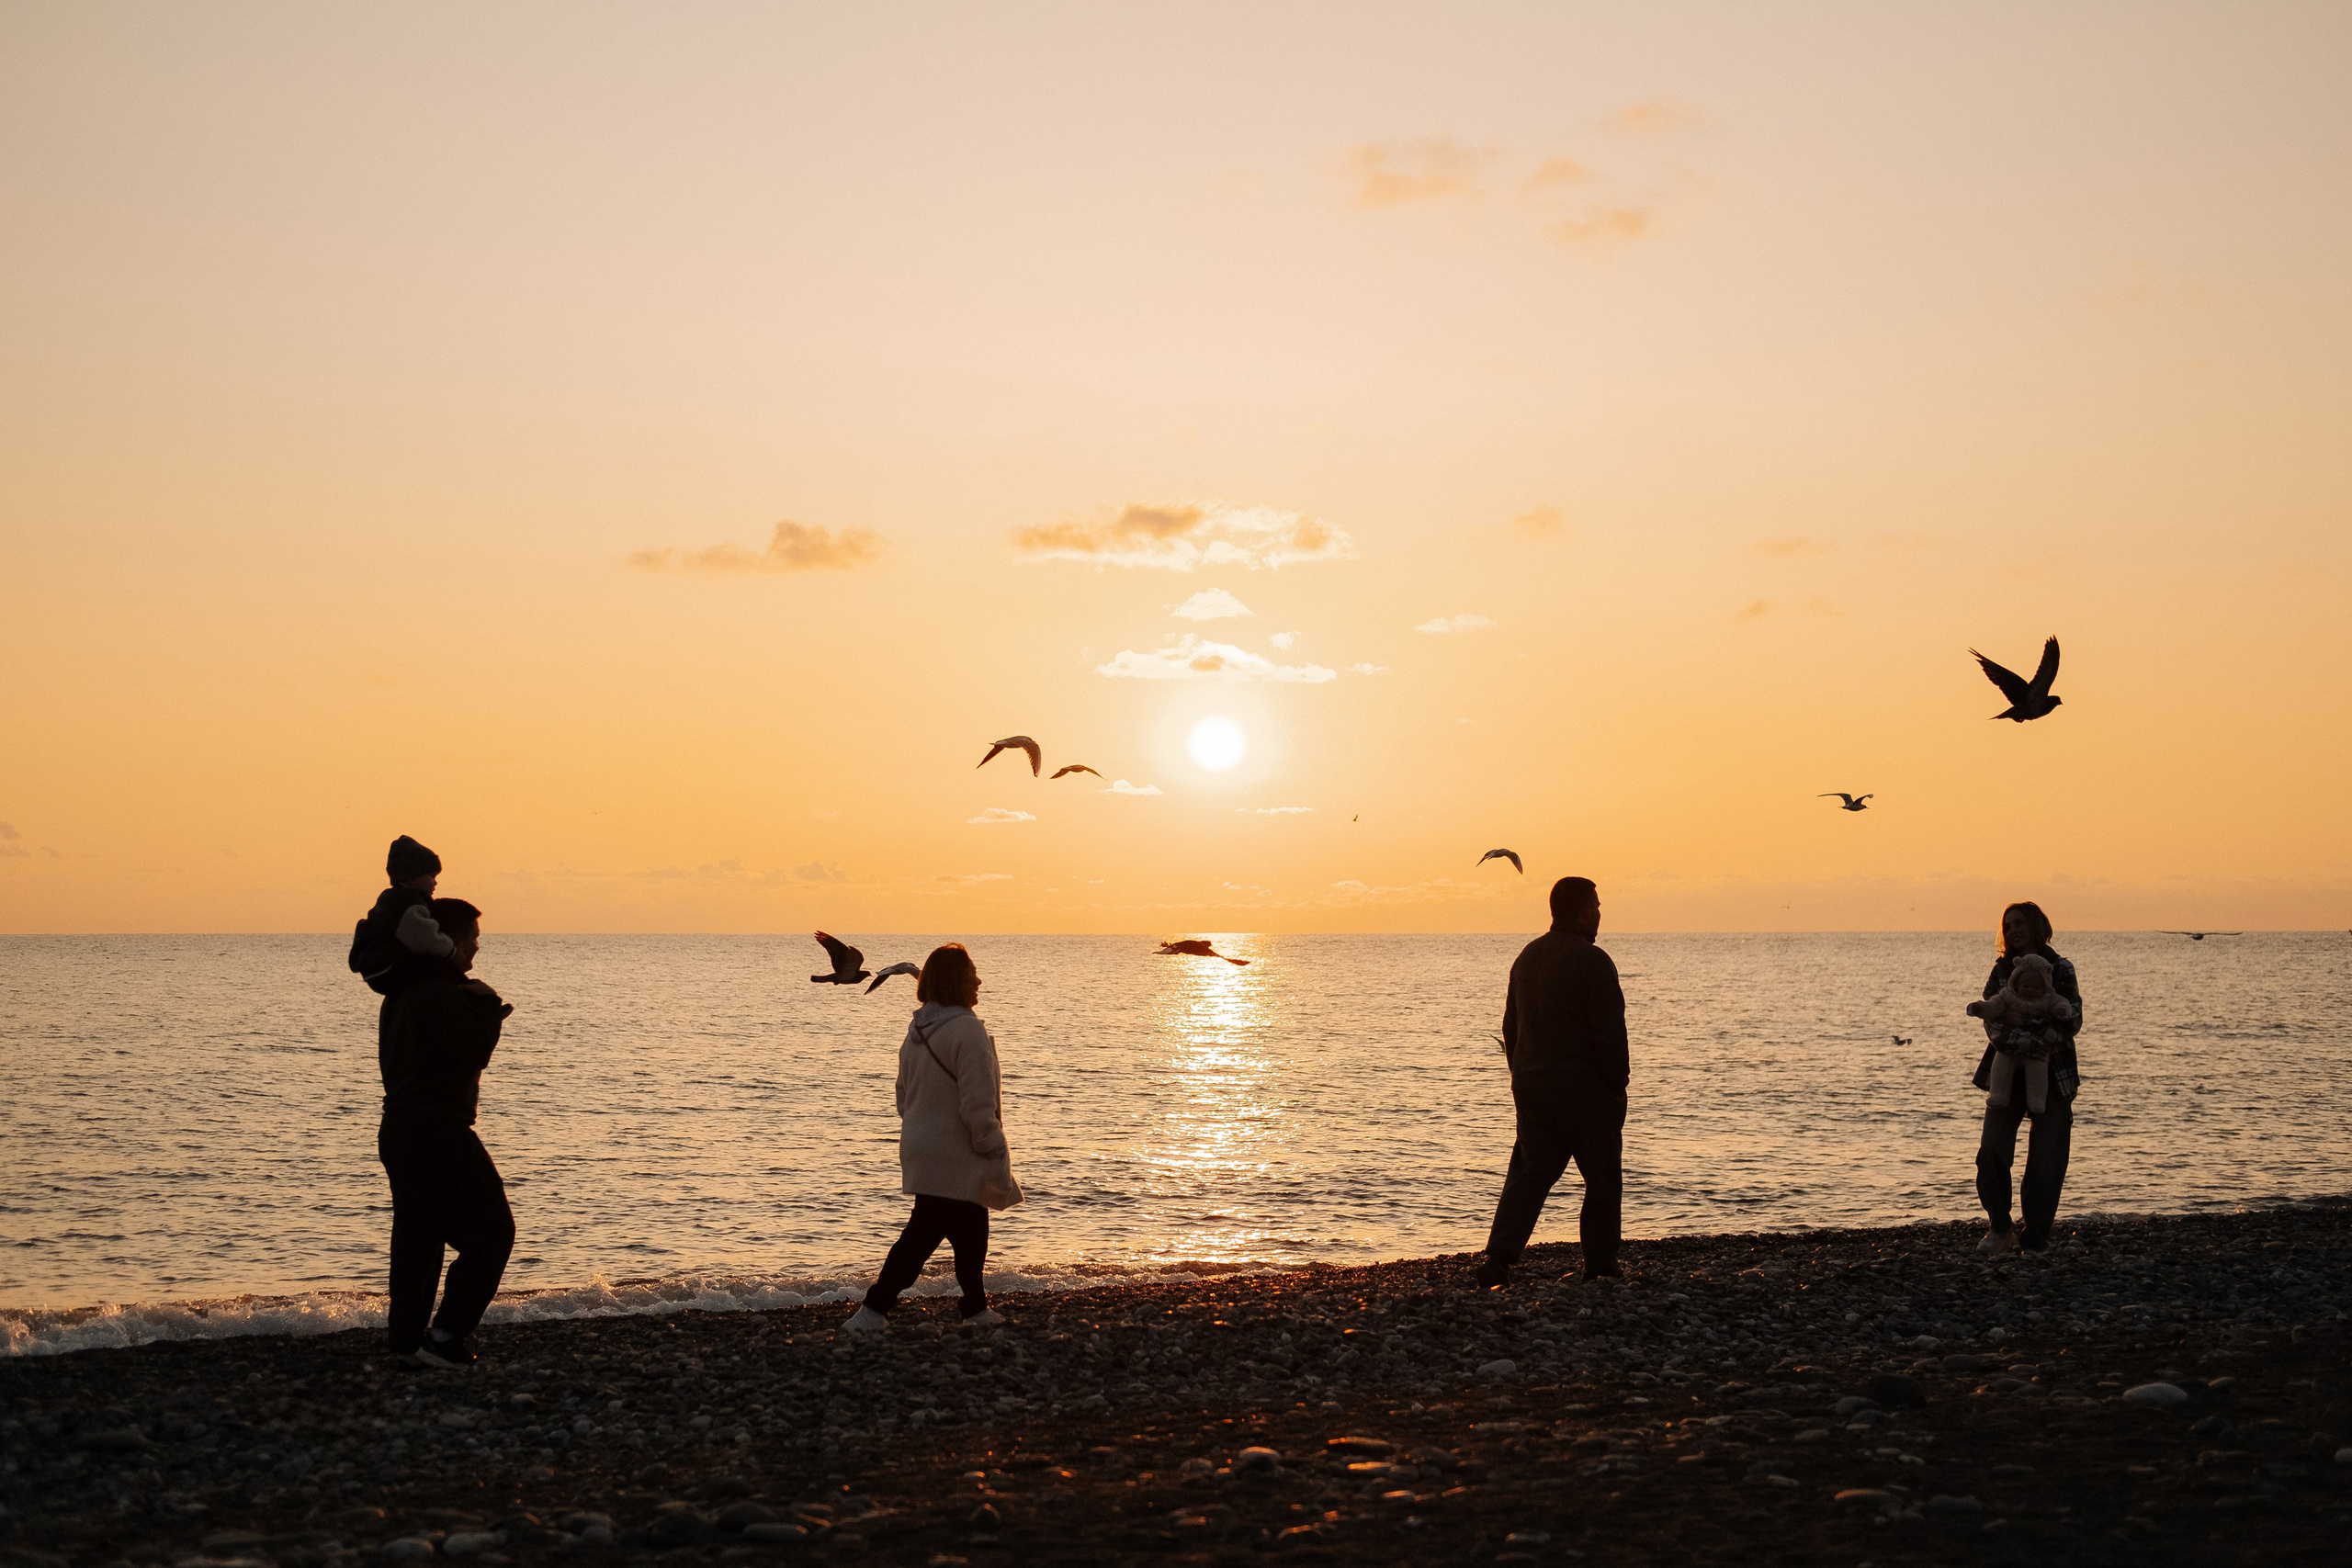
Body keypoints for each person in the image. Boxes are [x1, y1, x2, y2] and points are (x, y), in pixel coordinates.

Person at [842, 942, 1022, 1333]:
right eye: (972, 973)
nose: (978, 980)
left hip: (922, 1146)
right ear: (957, 981)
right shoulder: (968, 1031)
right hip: (957, 1151)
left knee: (969, 1227)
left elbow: (902, 1097)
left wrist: (926, 1128)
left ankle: (974, 1308)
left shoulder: (916, 1031)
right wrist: (992, 1146)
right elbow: (978, 1103)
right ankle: (872, 1311)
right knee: (924, 1235)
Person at [376, 896, 516, 1367]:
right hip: (437, 1129)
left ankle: (405, 1342)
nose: (477, 948)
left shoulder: (401, 991)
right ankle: (445, 1337)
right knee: (492, 1233)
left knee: (419, 1239)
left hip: (398, 1127)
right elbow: (472, 1052)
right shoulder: (443, 992)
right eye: (473, 938)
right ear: (451, 941)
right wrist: (490, 1010)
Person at [1476, 876, 1629, 1288]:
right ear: (1581, 911)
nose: (1599, 913)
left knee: (1530, 1172)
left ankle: (1499, 1258)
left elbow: (1512, 1025)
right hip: (1584, 1090)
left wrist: (1519, 1074)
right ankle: (1599, 1265)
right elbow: (1609, 1032)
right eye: (1596, 906)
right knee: (1601, 1176)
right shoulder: (1594, 961)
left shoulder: (1527, 957)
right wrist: (1618, 1086)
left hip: (1533, 1086)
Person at [1972, 900, 2083, 1255]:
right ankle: (2000, 1227)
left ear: (2037, 926)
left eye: (2019, 923)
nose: (2013, 931)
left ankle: (2036, 1236)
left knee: (2048, 1159)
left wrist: (2034, 1036)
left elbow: (2072, 1019)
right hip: (2006, 1072)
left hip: (2054, 1072)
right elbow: (1992, 1019)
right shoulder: (2001, 971)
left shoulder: (2061, 968)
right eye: (2008, 925)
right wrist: (2029, 1037)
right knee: (1991, 1151)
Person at [1967, 953, 2075, 1114]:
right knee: (2001, 1063)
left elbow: (2069, 1012)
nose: (2030, 991)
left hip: (2042, 1051)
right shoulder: (2007, 993)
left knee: (2037, 1069)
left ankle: (2036, 1100)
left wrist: (2061, 1012)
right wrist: (1979, 1008)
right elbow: (1993, 1008)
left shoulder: (2050, 996)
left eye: (2036, 987)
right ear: (2016, 984)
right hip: (2008, 1047)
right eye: (2026, 986)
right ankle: (1998, 1094)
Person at [349, 835, 454, 997]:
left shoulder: (393, 899)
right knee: (441, 968)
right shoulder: (407, 900)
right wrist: (450, 949)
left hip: (377, 969)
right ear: (413, 876)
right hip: (388, 967)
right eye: (432, 876)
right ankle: (474, 999)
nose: (435, 883)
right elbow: (423, 937)